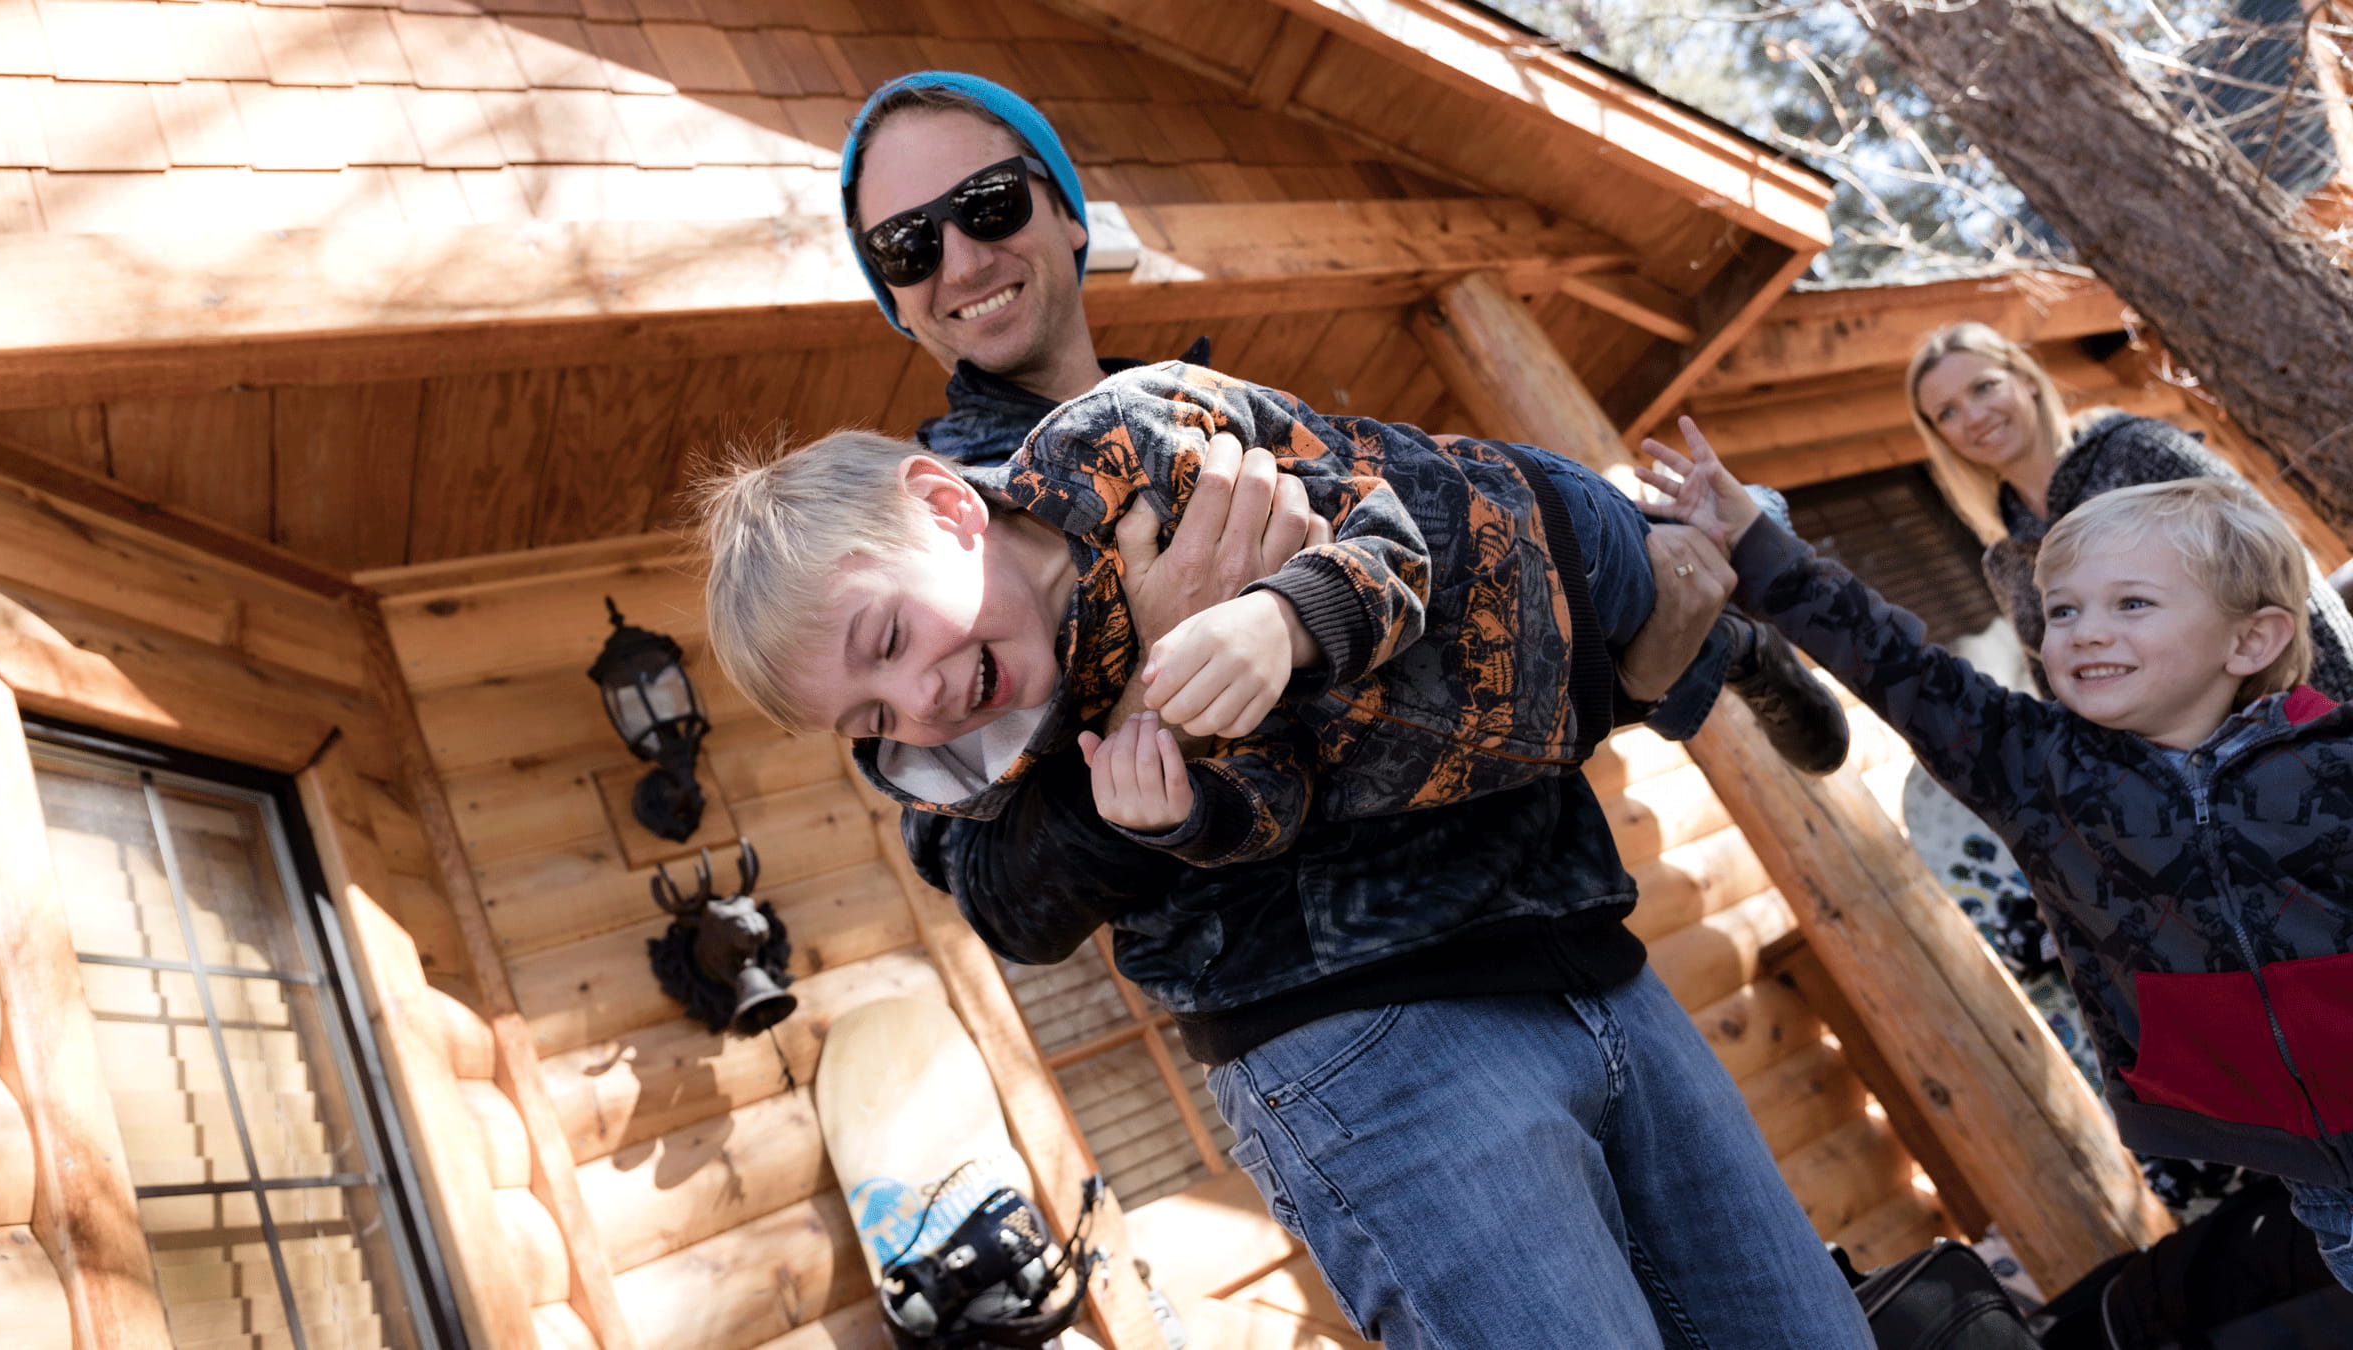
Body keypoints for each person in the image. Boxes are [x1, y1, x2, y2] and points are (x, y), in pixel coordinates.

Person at [811, 70, 1877, 1347]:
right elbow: (1003, 896)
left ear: (1069, 212)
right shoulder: (938, 564)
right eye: (908, 245)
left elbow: (1458, 623)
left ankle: (1728, 643)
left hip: (1592, 953)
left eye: (987, 204)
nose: (959, 255)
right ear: (892, 297)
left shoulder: (1219, 417)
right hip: (1367, 1044)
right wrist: (1157, 691)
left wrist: (1639, 675)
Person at [1644, 425, 2353, 1294]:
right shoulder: (2037, 767)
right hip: (2313, 1181)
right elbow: (1892, 658)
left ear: (2250, 642)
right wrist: (1754, 539)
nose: (2086, 632)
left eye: (2132, 604)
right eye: (2063, 610)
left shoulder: (2328, 761)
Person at [706, 360, 1771, 867]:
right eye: (875, 721)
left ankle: (1761, 634)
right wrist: (1187, 818)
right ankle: (1732, 658)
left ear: (947, 508)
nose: (922, 702)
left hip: (1545, 551)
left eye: (887, 642)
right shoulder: (1060, 738)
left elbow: (1386, 534)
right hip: (1536, 728)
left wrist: (1280, 622)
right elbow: (1285, 788)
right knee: (1664, 680)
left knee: (1680, 589)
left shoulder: (1120, 444)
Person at [1906, 320, 2353, 700]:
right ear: (1940, 436)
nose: (1974, 416)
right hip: (2205, 774)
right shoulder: (2004, 562)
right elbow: (2061, 692)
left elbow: (2277, 563)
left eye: (1984, 387)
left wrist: (2338, 690)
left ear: (2024, 380)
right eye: (1947, 412)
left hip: (2300, 697)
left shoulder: (2136, 450)